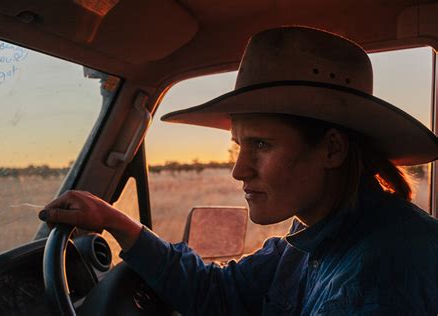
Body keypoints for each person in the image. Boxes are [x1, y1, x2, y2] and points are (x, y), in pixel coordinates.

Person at [38, 26, 438, 314]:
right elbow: (219, 293)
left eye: (261, 145)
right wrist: (117, 222)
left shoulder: (377, 276)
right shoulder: (309, 243)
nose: (239, 170)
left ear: (332, 149)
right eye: (238, 146)